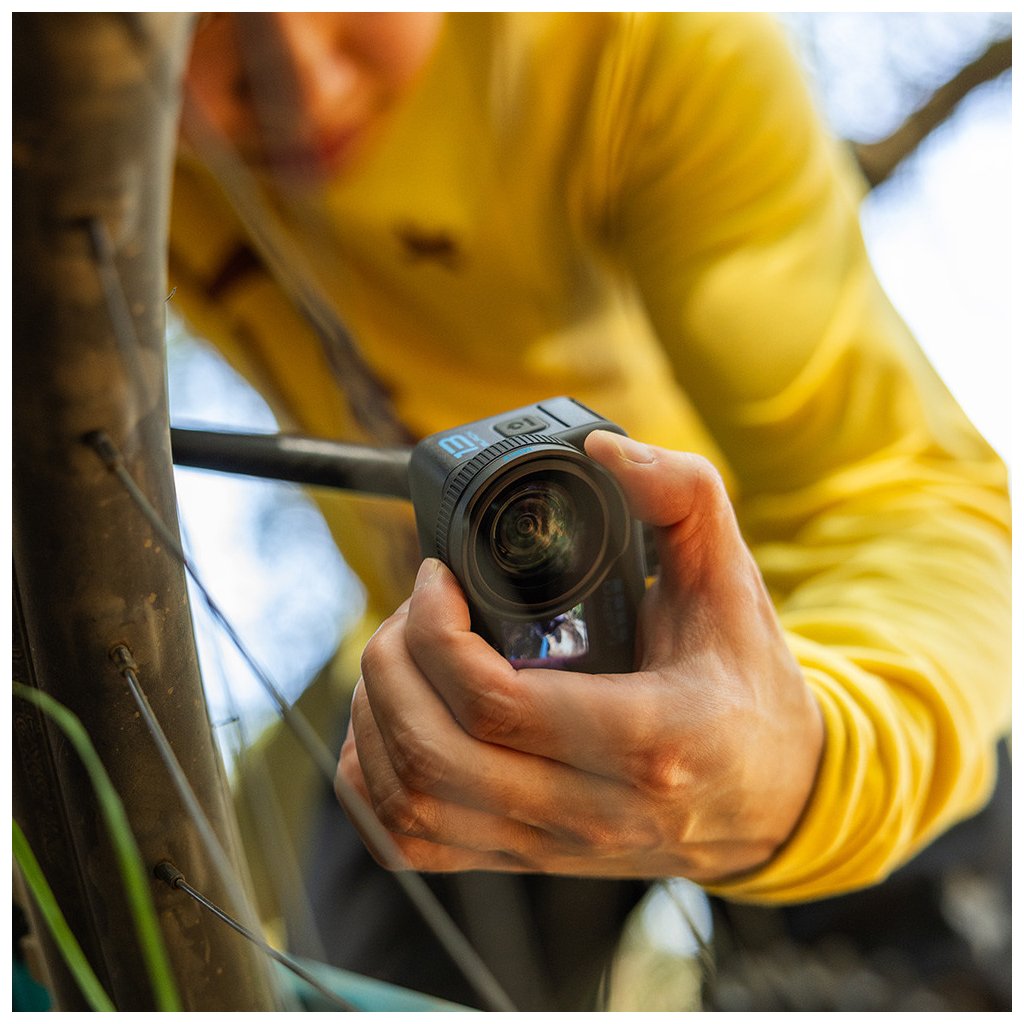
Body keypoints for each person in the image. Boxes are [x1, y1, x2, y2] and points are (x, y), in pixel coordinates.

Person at [169, 12, 1011, 1009]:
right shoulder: (73, 152)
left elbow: (889, 484)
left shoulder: (643, 43)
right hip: (437, 681)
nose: (300, 82)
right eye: (189, 17)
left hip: (797, 648)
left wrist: (808, 767)